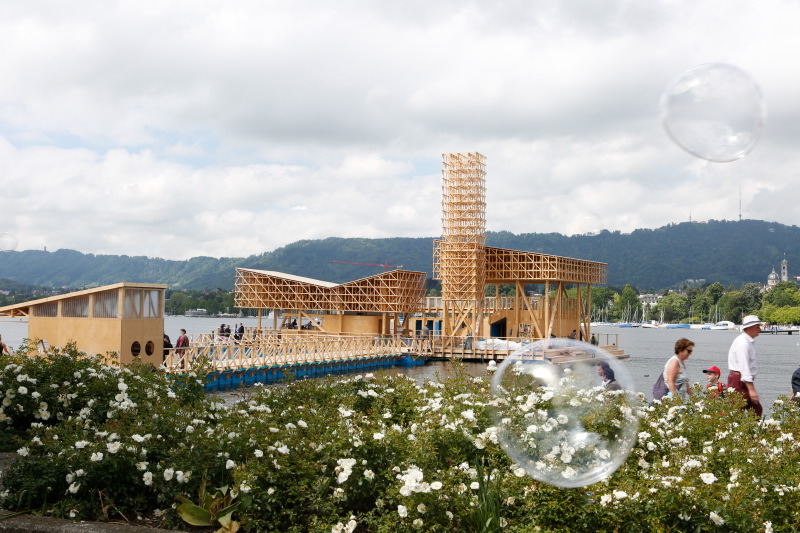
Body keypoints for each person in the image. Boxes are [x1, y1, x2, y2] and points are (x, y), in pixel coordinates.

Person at [727, 315, 763, 417]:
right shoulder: (743, 343)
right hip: (739, 380)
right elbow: (744, 366)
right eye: (757, 327)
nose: (760, 329)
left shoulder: (746, 341)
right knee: (739, 410)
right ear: (750, 328)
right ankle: (739, 431)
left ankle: (751, 431)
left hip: (741, 379)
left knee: (755, 409)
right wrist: (751, 389)